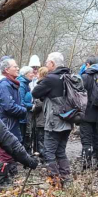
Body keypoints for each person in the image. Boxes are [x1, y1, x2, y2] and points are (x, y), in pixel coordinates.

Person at [31, 52, 74, 183]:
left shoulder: (51, 79)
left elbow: (35, 92)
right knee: (61, 151)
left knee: (49, 151)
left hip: (54, 121)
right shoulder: (69, 76)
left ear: (53, 64)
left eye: (47, 62)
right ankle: (66, 178)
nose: (45, 65)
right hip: (68, 119)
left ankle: (54, 180)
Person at [0, 57, 28, 185]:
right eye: (15, 66)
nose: (17, 68)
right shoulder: (4, 85)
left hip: (10, 122)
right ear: (6, 69)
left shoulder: (11, 83)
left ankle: (7, 178)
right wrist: (24, 110)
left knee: (10, 151)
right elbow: (8, 106)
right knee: (5, 154)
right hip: (5, 123)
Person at [80, 56, 98, 170]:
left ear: (88, 64)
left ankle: (86, 165)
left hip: (87, 113)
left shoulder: (85, 76)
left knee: (86, 139)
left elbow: (79, 94)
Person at [29, 66, 49, 156]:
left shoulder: (41, 86)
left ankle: (43, 157)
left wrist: (33, 108)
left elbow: (39, 103)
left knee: (41, 139)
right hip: (47, 118)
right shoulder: (50, 84)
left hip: (41, 118)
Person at [18, 65, 36, 152]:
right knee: (21, 137)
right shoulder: (21, 85)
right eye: (31, 73)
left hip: (26, 115)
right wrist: (31, 106)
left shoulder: (26, 84)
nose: (33, 74)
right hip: (21, 117)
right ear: (25, 74)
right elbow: (20, 102)